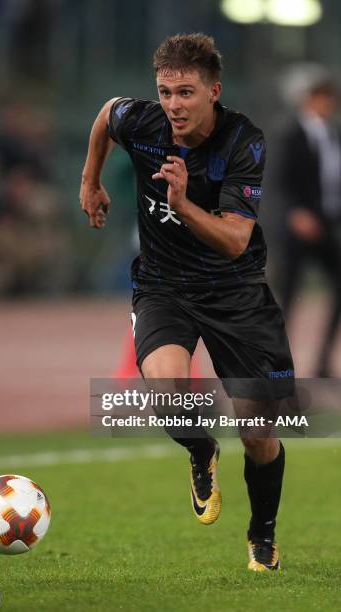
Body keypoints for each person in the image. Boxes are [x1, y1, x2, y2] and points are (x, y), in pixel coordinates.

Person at [79, 33, 294, 571]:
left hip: (236, 293)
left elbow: (235, 239)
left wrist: (180, 201)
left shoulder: (244, 142)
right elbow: (107, 113)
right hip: (163, 287)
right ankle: (202, 449)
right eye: (165, 91)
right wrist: (91, 181)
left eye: (186, 92)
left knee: (260, 431)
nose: (174, 104)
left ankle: (262, 533)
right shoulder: (145, 123)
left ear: (213, 91)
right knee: (168, 388)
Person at [277, 64, 341, 377]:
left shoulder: (334, 136)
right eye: (319, 96)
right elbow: (280, 181)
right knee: (288, 297)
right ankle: (277, 366)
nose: (325, 103)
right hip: (297, 228)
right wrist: (296, 213)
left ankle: (323, 361)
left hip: (327, 225)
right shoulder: (290, 134)